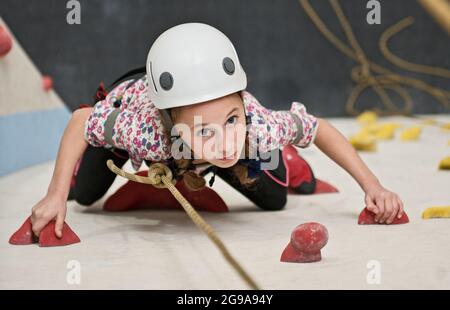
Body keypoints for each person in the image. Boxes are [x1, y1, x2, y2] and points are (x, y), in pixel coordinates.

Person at [30, 23, 405, 239]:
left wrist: (373, 186)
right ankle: (101, 162)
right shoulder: (143, 131)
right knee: (83, 196)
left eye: (231, 119)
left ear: (242, 103)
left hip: (198, 150)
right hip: (128, 101)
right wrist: (55, 194)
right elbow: (80, 121)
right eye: (204, 130)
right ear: (174, 128)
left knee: (275, 201)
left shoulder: (254, 128)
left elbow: (317, 127)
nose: (226, 143)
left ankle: (287, 162)